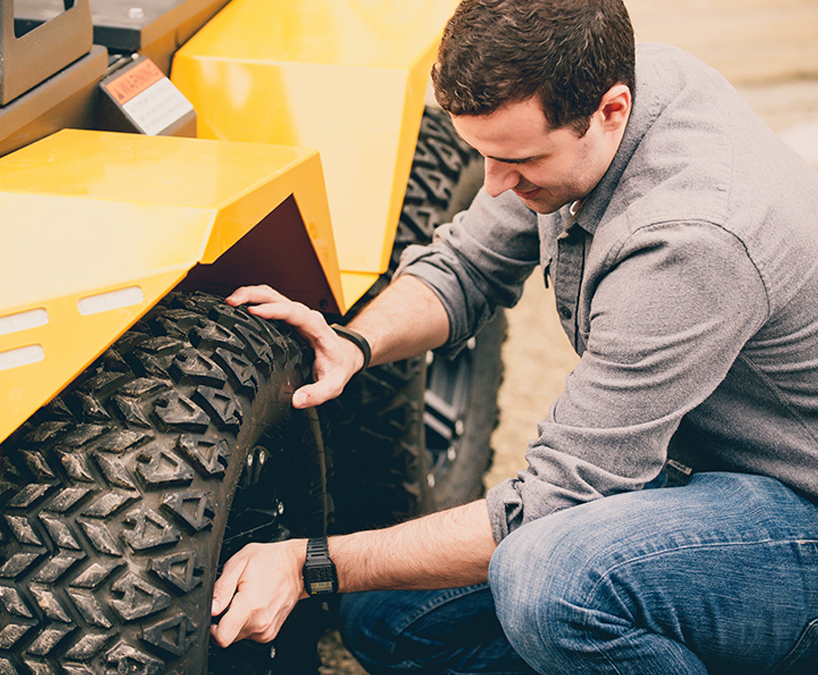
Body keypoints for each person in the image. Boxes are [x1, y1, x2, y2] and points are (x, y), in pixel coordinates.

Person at [210, 0, 818, 671]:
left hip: (798, 514)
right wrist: (352, 343)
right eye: (485, 156)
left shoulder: (693, 240)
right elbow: (469, 264)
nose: (495, 185)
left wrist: (311, 564)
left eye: (520, 161)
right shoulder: (597, 92)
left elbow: (556, 500)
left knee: (549, 581)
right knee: (387, 616)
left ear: (612, 110)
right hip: (698, 477)